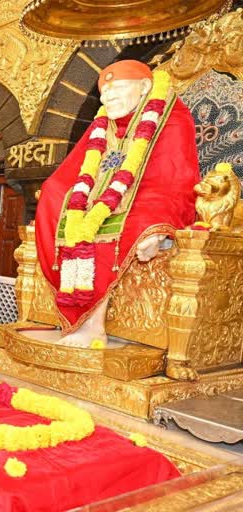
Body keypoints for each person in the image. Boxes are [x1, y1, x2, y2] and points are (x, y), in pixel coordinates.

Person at [34, 60, 200, 347]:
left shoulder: (170, 114)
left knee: (132, 221)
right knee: (53, 195)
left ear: (145, 87)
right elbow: (77, 166)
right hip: (100, 197)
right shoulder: (102, 122)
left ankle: (93, 326)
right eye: (104, 93)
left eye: (118, 88)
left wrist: (159, 224)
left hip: (153, 192)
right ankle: (74, 316)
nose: (109, 98)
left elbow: (175, 172)